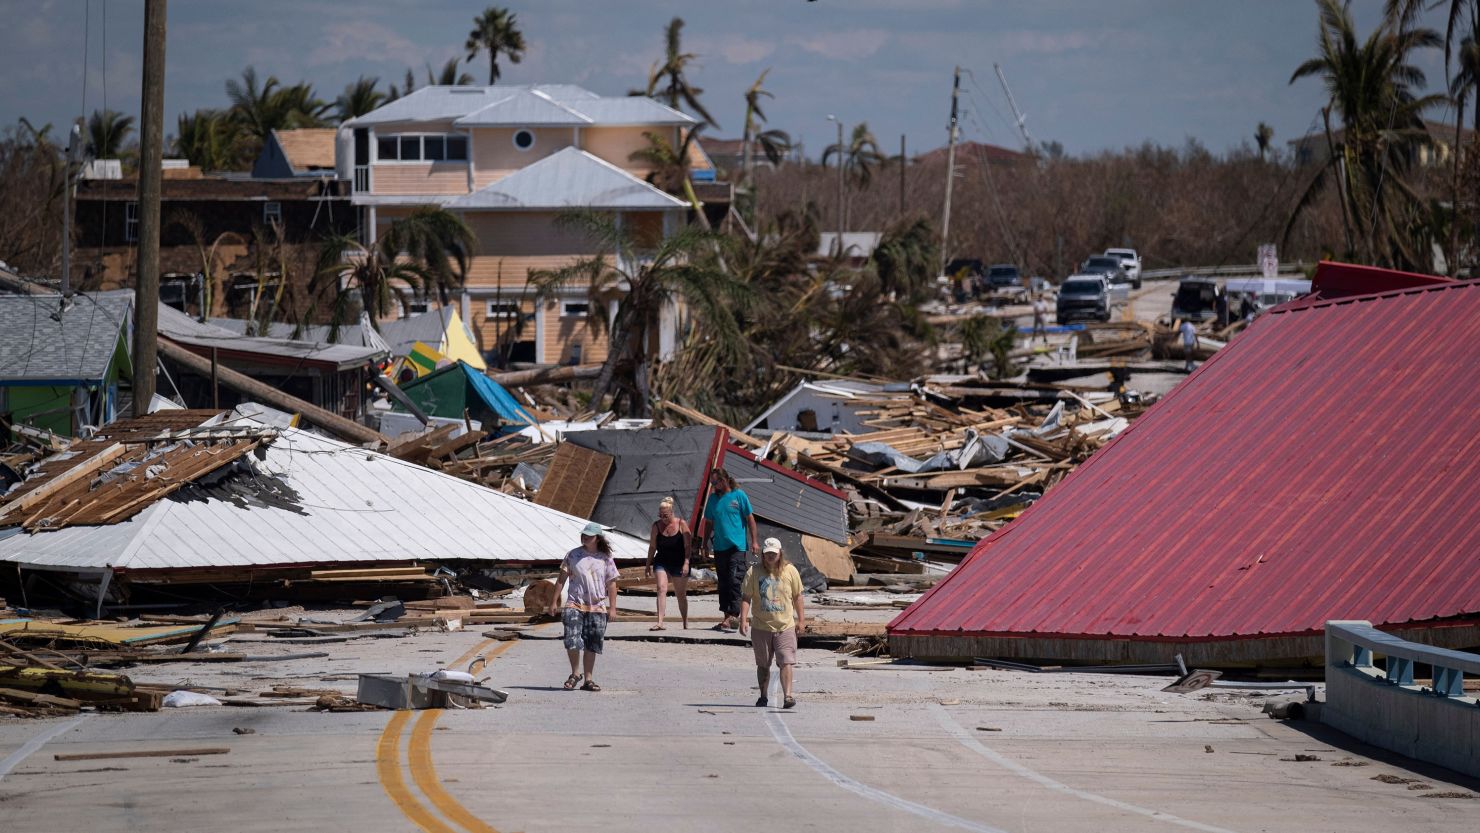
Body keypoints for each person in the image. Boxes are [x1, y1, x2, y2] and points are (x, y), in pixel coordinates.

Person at [548, 521, 620, 692]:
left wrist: (613, 608)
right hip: (574, 603)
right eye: (583, 535)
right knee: (571, 640)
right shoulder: (573, 555)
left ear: (597, 538)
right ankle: (575, 673)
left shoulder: (605, 558)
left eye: (589, 536)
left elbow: (612, 584)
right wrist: (553, 602)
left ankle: (588, 679)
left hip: (597, 606)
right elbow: (560, 580)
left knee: (592, 643)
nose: (584, 537)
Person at [740, 537, 805, 709]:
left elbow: (798, 596)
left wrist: (801, 621)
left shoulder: (790, 571)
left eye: (773, 554)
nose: (770, 556)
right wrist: (743, 620)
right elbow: (746, 597)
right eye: (767, 553)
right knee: (763, 664)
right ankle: (763, 696)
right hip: (761, 626)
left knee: (786, 661)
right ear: (763, 554)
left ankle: (788, 696)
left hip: (785, 626)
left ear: (780, 554)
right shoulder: (753, 572)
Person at [697, 468, 758, 632]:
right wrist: (704, 544)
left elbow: (750, 519)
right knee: (723, 583)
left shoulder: (738, 495)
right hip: (719, 547)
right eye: (712, 483)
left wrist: (754, 542)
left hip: (737, 546)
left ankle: (735, 615)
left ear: (724, 480)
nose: (714, 486)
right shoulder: (712, 499)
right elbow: (709, 522)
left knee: (735, 580)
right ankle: (726, 617)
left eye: (716, 483)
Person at [644, 496, 691, 630]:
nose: (663, 518)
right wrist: (648, 565)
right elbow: (652, 547)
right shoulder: (656, 526)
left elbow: (688, 546)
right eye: (661, 515)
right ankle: (660, 622)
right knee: (661, 588)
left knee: (680, 593)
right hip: (662, 561)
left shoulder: (681, 524)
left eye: (665, 515)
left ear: (672, 512)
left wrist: (686, 563)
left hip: (679, 561)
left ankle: (685, 621)